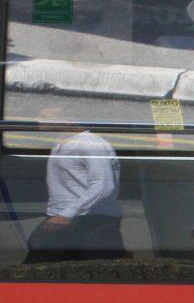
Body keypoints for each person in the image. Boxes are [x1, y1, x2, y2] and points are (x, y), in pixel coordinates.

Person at [26, 106, 125, 263]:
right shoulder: (61, 143)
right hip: (63, 217)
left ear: (69, 119)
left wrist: (67, 213)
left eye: (44, 116)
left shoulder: (90, 144)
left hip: (91, 219)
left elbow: (103, 185)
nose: (36, 119)